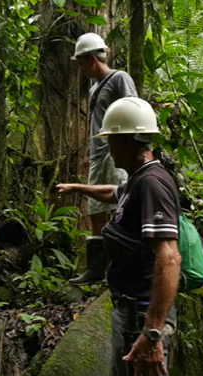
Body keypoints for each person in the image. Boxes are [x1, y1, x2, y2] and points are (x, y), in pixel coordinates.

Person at [57, 97, 185, 376]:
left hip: (143, 316)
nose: (109, 149)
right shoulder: (137, 180)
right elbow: (113, 192)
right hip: (128, 311)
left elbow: (169, 257)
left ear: (128, 140)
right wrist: (77, 187)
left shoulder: (153, 183)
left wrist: (153, 332)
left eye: (111, 140)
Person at [69, 32, 137, 285]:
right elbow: (95, 124)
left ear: (90, 59)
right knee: (96, 210)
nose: (80, 68)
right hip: (98, 154)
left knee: (121, 206)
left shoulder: (119, 79)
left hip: (116, 152)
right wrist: (89, 153)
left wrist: (130, 152)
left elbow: (133, 110)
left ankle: (123, 268)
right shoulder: (94, 87)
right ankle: (96, 269)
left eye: (80, 62)